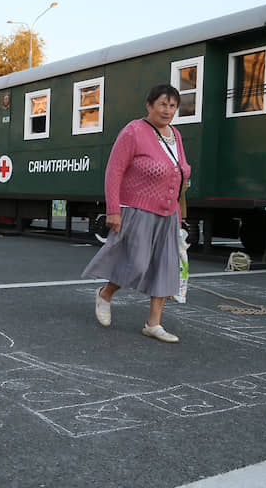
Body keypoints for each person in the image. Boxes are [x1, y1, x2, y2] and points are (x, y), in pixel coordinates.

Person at [82, 84, 191, 343]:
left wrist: (179, 210)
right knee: (138, 263)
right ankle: (105, 294)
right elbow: (114, 171)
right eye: (163, 104)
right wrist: (113, 210)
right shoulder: (134, 131)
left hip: (169, 212)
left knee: (166, 267)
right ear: (149, 105)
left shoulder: (175, 135)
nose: (168, 110)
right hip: (137, 209)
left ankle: (153, 324)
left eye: (173, 106)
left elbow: (180, 170)